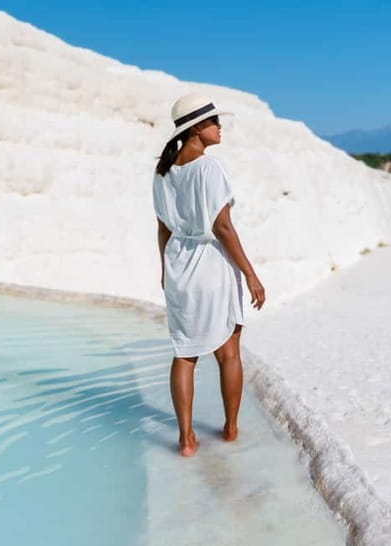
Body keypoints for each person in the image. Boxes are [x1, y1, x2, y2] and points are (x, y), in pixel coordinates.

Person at [152, 94, 266, 457]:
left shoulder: (165, 171)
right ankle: (231, 431)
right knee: (228, 351)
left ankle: (186, 440)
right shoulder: (209, 167)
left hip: (179, 265)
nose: (220, 128)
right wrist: (251, 275)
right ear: (197, 128)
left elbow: (162, 227)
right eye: (215, 122)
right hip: (210, 263)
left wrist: (164, 270)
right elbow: (222, 227)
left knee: (184, 352)